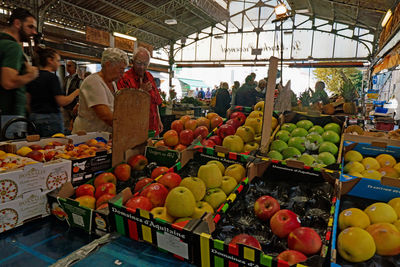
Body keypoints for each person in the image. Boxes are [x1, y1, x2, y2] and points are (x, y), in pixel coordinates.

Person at [72, 48, 128, 133]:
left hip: (103, 136)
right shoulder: (93, 81)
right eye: (121, 69)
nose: (122, 74)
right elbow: (105, 115)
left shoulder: (112, 83)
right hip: (87, 137)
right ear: (108, 64)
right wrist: (128, 127)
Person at [26, 48, 80, 137]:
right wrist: (76, 92)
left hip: (34, 118)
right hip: (50, 119)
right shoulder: (52, 78)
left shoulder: (33, 76)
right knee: (54, 147)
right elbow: (61, 101)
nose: (59, 64)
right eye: (57, 60)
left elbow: (27, 100)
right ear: (50, 60)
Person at [0, 8, 38, 117]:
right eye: (30, 27)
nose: (34, 32)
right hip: (10, 114)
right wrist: (31, 75)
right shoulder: (12, 47)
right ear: (17, 23)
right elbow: (8, 82)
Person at [117, 47, 163, 136]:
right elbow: (123, 107)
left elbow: (155, 102)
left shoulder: (149, 76)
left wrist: (159, 120)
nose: (142, 67)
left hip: (153, 129)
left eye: (145, 64)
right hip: (134, 130)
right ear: (132, 61)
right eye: (139, 63)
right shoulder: (124, 79)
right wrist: (141, 92)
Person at [62, 60, 82, 133]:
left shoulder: (79, 80)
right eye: (67, 66)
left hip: (74, 106)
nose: (67, 68)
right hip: (65, 105)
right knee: (66, 124)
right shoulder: (65, 79)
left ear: (75, 68)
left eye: (69, 66)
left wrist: (77, 104)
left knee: (74, 124)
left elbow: (81, 95)